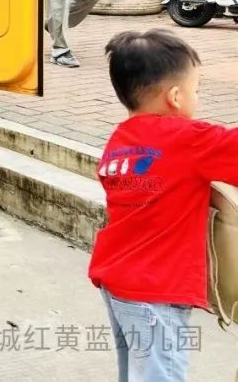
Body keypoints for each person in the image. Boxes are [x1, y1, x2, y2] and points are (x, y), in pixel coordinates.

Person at [89, 30, 238, 382]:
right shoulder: (189, 140)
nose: (197, 98)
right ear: (175, 96)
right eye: (196, 90)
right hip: (157, 292)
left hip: (118, 285)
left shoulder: (121, 140)